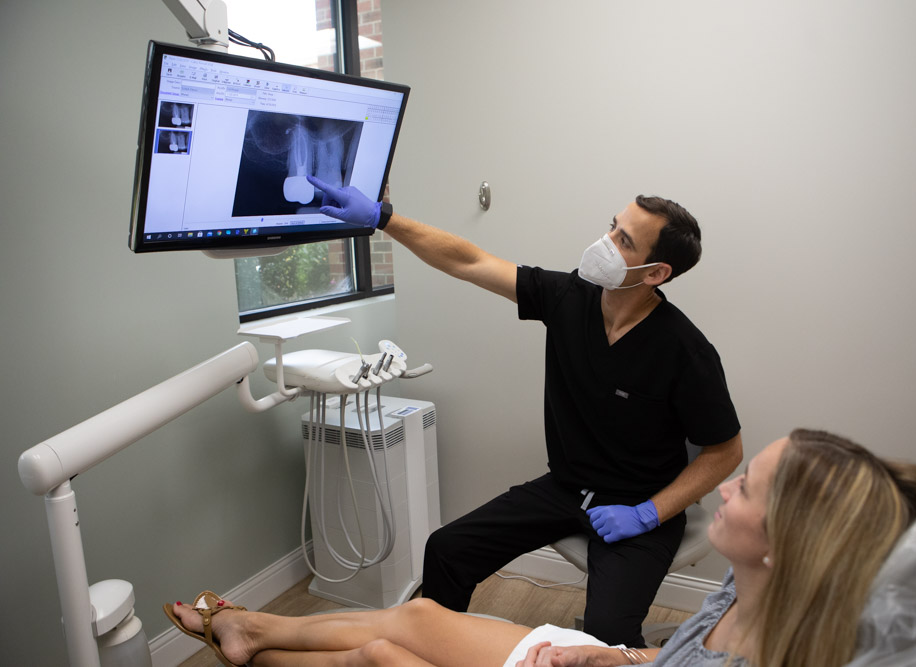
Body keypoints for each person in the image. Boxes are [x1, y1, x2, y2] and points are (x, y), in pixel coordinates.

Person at [303, 178, 744, 646]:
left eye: (624, 241)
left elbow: (725, 451)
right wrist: (382, 218)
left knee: (606, 636)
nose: (606, 244)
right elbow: (469, 261)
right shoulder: (569, 297)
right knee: (448, 549)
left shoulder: (685, 351)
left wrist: (648, 514)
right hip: (566, 487)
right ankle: (427, 649)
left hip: (639, 506)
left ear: (656, 273)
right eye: (612, 228)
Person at [164, 429, 916, 667]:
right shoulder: (741, 591)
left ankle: (246, 634)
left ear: (784, 543)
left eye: (747, 488)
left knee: (383, 654)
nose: (725, 488)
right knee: (416, 613)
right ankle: (251, 629)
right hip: (586, 662)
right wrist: (615, 656)